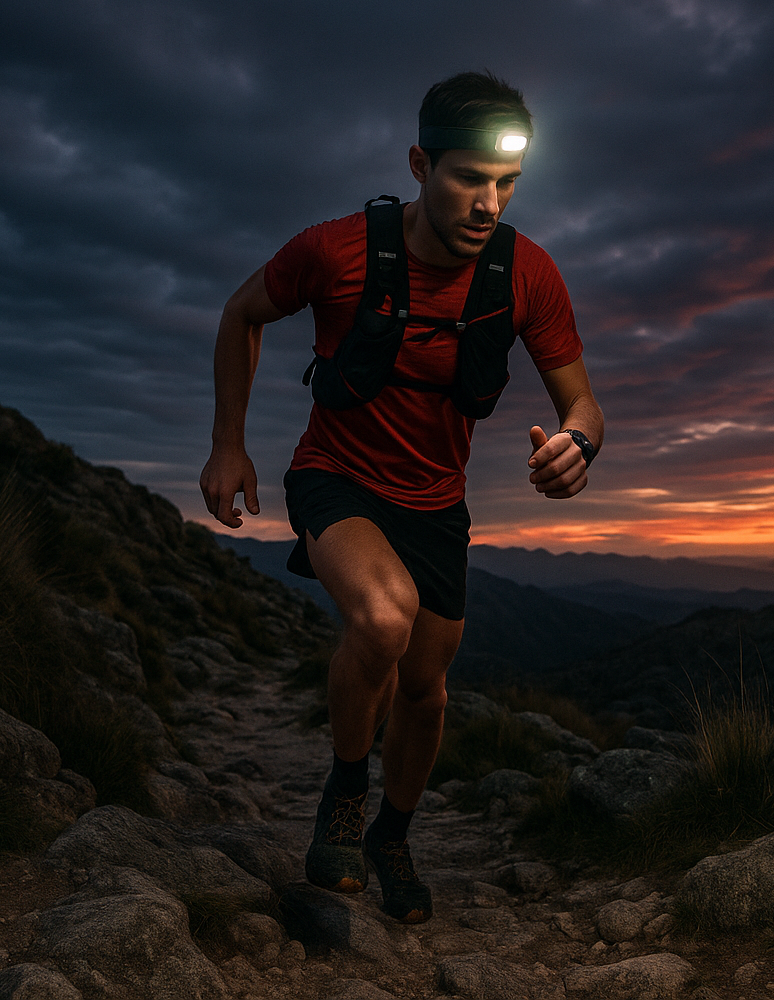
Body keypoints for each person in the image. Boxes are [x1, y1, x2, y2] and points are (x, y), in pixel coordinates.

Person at [199, 71, 603, 924]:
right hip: (334, 475)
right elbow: (242, 312)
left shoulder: (527, 274)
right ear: (420, 163)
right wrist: (228, 444)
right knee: (384, 618)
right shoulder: (338, 251)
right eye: (468, 178)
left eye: (507, 185)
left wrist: (580, 445)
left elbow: (582, 403)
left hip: (435, 503)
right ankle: (345, 795)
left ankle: (394, 832)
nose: (488, 204)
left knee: (426, 688)